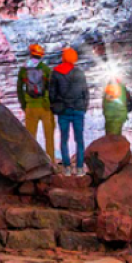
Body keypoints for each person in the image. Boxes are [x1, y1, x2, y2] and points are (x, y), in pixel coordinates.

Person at [49, 46, 90, 175]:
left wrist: (56, 105)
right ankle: (79, 168)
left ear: (63, 57)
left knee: (64, 139)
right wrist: (84, 107)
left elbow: (51, 93)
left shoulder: (55, 72)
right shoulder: (79, 72)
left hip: (63, 110)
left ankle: (66, 168)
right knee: (79, 139)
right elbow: (85, 92)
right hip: (78, 110)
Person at [17, 44, 55, 162]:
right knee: (49, 136)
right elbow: (52, 88)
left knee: (30, 137)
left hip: (30, 107)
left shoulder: (23, 69)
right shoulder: (45, 69)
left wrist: (24, 105)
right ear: (41, 55)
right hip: (45, 107)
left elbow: (19, 89)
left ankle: (32, 162)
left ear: (30, 53)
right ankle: (51, 160)